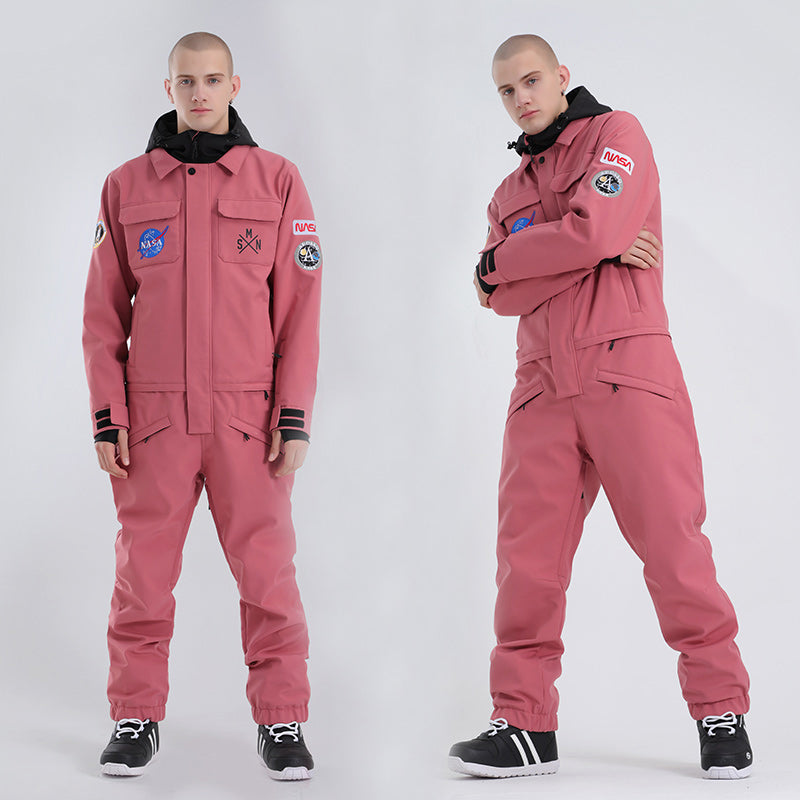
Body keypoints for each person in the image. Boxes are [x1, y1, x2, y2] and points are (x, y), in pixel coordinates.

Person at [448, 34, 752, 781]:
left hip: (628, 373)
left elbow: (580, 236)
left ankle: (721, 710)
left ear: (561, 77)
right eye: (506, 90)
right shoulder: (507, 193)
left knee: (673, 547)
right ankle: (524, 724)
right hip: (540, 390)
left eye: (531, 81)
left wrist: (522, 258)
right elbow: (497, 297)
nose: (521, 98)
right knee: (526, 565)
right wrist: (591, 248)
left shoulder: (618, 133)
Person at [82, 31, 322, 781]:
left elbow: (301, 310)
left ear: (234, 86)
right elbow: (101, 316)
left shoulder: (277, 180)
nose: (199, 93)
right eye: (186, 81)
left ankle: (281, 722)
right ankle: (135, 717)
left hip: (248, 422)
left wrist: (293, 414)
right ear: (169, 88)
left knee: (269, 576)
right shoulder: (126, 186)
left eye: (213, 80)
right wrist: (108, 416)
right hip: (153, 422)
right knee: (142, 578)